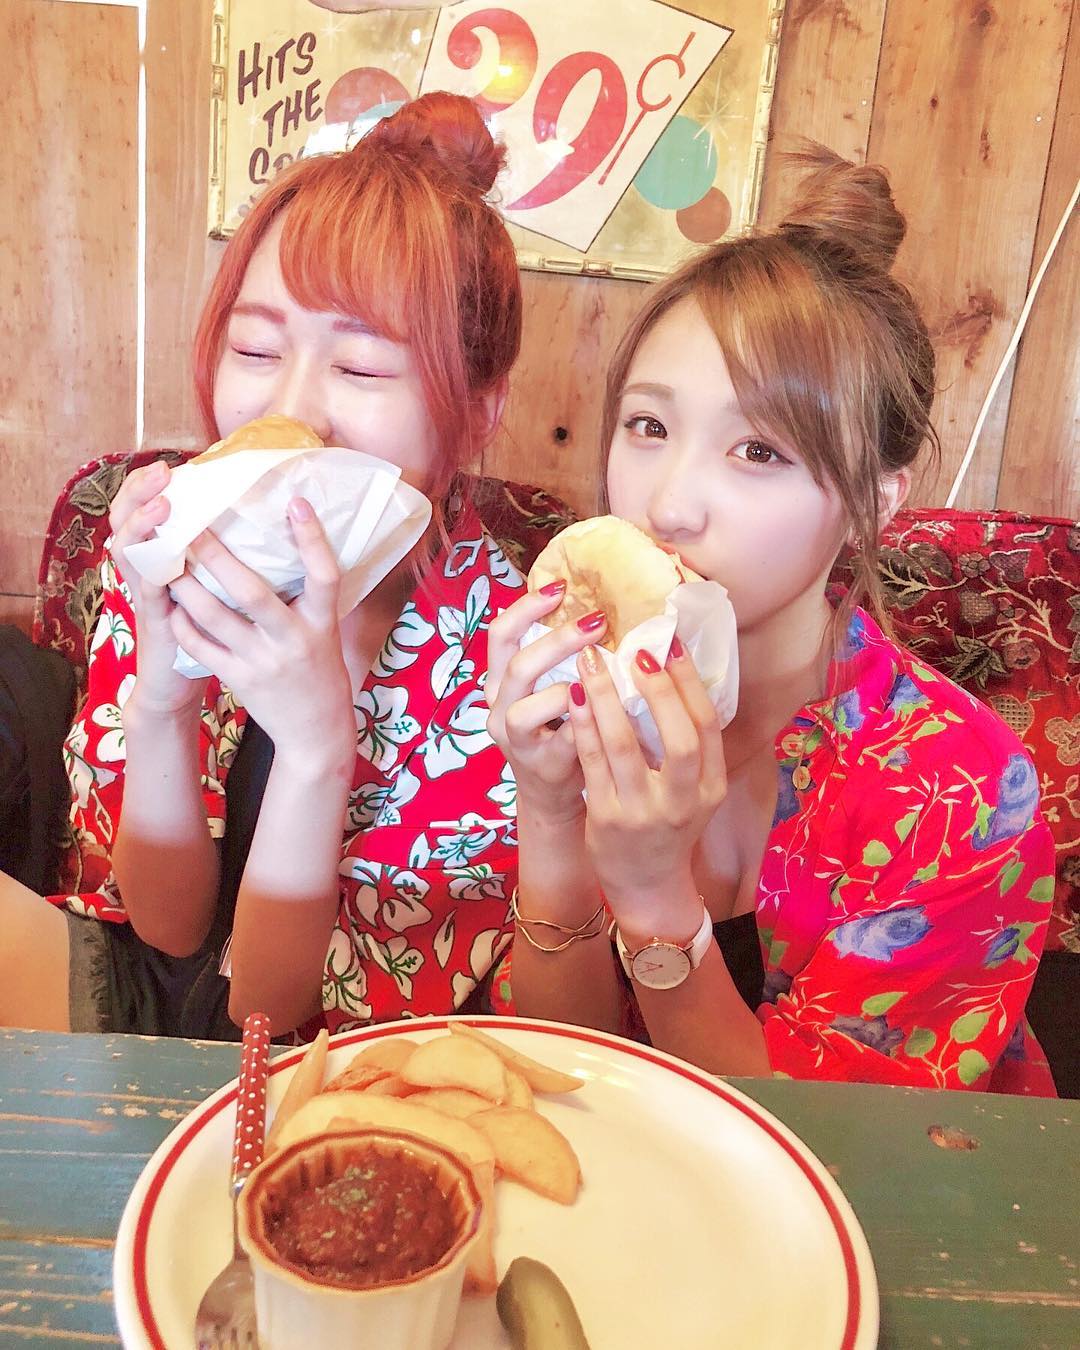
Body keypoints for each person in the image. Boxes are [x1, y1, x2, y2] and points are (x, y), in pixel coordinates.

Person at [487, 146, 1056, 1094]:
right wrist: (548, 814)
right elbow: (560, 1070)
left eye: (757, 449)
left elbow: (829, 1147)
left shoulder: (962, 790)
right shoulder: (585, 690)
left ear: (872, 502)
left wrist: (655, 898)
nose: (668, 506)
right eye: (648, 427)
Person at [1, 92, 525, 1040]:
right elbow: (163, 926)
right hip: (133, 993)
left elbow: (271, 1013)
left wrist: (320, 749)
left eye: (360, 368)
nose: (292, 410)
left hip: (329, 1062)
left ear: (478, 413)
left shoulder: (502, 664)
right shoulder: (177, 538)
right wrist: (163, 698)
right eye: (255, 348)